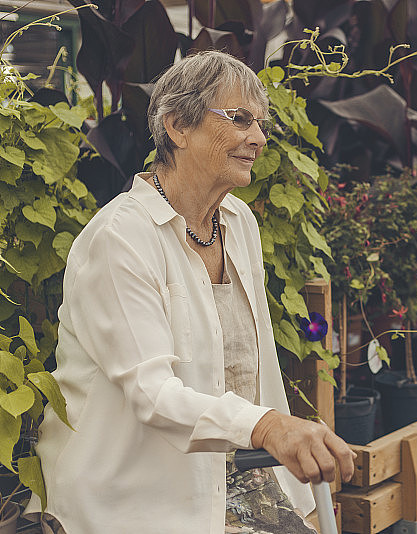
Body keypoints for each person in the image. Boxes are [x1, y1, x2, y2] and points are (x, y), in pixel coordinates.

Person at [24, 50, 355, 534]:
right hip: (134, 502)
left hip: (235, 482)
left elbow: (258, 371)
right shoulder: (120, 238)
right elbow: (152, 393)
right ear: (178, 126)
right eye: (239, 119)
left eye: (260, 123)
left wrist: (296, 495)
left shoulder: (238, 222)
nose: (259, 138)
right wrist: (267, 427)